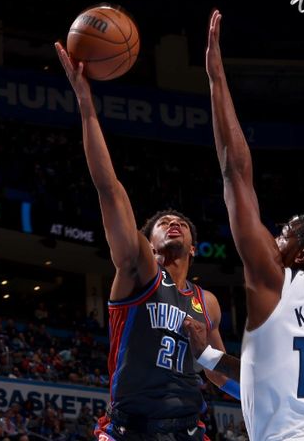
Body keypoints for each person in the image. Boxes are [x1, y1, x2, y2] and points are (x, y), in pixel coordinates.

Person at [183, 9, 304, 441]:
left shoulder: (276, 281)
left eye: (285, 233)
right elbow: (262, 380)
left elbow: (236, 176)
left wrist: (216, 80)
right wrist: (207, 356)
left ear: (300, 254)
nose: (273, 235)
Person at [55, 42, 232, 440]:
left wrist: (213, 354)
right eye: (163, 223)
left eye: (182, 224)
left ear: (193, 248)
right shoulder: (139, 272)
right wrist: (86, 105)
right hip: (129, 431)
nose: (173, 223)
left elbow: (223, 379)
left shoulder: (209, 304)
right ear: (147, 244)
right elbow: (109, 189)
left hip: (188, 430)